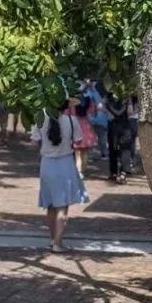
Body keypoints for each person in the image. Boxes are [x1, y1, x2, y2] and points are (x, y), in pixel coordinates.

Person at [38, 99, 88, 252]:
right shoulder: (72, 121)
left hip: (46, 163)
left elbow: (35, 138)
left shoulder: (40, 118)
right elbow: (78, 140)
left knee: (51, 206)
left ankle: (53, 239)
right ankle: (58, 243)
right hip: (65, 163)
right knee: (62, 207)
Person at [106, 93, 134, 184]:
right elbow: (130, 112)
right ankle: (123, 173)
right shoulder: (126, 97)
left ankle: (113, 173)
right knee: (125, 150)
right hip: (125, 125)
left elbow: (109, 114)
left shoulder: (108, 97)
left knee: (113, 149)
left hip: (113, 125)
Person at [68, 98, 96, 175]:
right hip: (87, 128)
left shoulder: (72, 105)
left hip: (75, 128)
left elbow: (68, 114)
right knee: (85, 152)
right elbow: (92, 112)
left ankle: (78, 170)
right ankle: (83, 170)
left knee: (77, 152)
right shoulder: (89, 102)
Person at [83, 79, 109, 158]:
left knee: (96, 135)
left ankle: (93, 153)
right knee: (102, 136)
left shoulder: (91, 91)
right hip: (102, 117)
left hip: (93, 117)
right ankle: (104, 153)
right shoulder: (101, 92)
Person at [128, 94, 140, 171]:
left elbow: (130, 112)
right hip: (134, 121)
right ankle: (130, 159)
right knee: (132, 142)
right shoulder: (137, 102)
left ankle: (130, 159)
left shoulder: (132, 102)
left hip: (131, 121)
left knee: (131, 141)